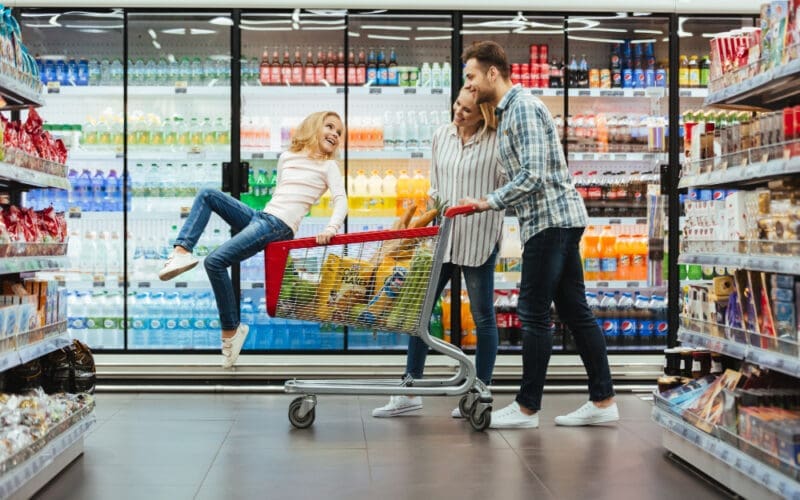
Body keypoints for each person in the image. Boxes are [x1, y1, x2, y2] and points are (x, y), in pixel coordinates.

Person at [460, 41, 619, 429]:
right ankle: (603, 400)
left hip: (551, 221)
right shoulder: (506, 113)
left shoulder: (523, 109)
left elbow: (533, 175)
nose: (468, 83)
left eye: (471, 76)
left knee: (533, 312)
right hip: (551, 221)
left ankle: (527, 407)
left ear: (492, 73)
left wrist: (488, 202)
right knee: (575, 312)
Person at [159, 111, 347, 369]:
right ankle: (181, 251)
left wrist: (331, 228)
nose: (335, 134)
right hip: (263, 217)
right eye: (330, 127)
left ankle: (231, 331)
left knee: (214, 262)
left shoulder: (329, 166)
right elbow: (281, 193)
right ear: (313, 127)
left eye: (339, 132)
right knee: (208, 195)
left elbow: (341, 201)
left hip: (278, 226)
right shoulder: (287, 157)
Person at [373, 87, 505, 419]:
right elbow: (435, 186)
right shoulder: (441, 135)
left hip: (479, 236)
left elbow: (508, 186)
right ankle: (410, 388)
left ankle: (480, 390)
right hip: (442, 238)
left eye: (467, 110)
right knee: (420, 311)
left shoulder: (497, 139)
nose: (458, 113)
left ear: (483, 114)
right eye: (457, 105)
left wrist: (483, 203)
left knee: (483, 316)